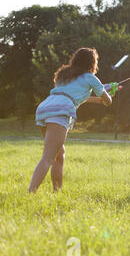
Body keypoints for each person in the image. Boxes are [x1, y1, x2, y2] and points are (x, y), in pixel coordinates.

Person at [29, 48, 112, 193]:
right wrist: (108, 95)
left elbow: (78, 97)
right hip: (60, 111)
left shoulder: (65, 75)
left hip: (45, 107)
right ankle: (30, 192)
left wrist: (101, 96)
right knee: (48, 157)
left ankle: (57, 192)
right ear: (92, 63)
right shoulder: (90, 77)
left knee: (59, 154)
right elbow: (108, 102)